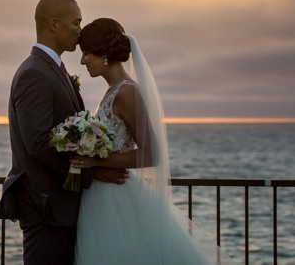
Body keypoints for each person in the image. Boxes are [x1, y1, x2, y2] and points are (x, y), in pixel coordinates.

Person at [70, 18, 231, 264]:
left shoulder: (126, 92)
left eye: (87, 54)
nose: (83, 61)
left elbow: (151, 154)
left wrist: (94, 162)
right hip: (102, 197)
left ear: (103, 54)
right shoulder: (113, 90)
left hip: (115, 201)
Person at [0, 0, 128, 265]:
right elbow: (38, 145)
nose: (80, 30)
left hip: (59, 208)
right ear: (54, 25)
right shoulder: (34, 72)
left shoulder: (53, 68)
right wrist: (90, 170)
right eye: (76, 22)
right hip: (46, 207)